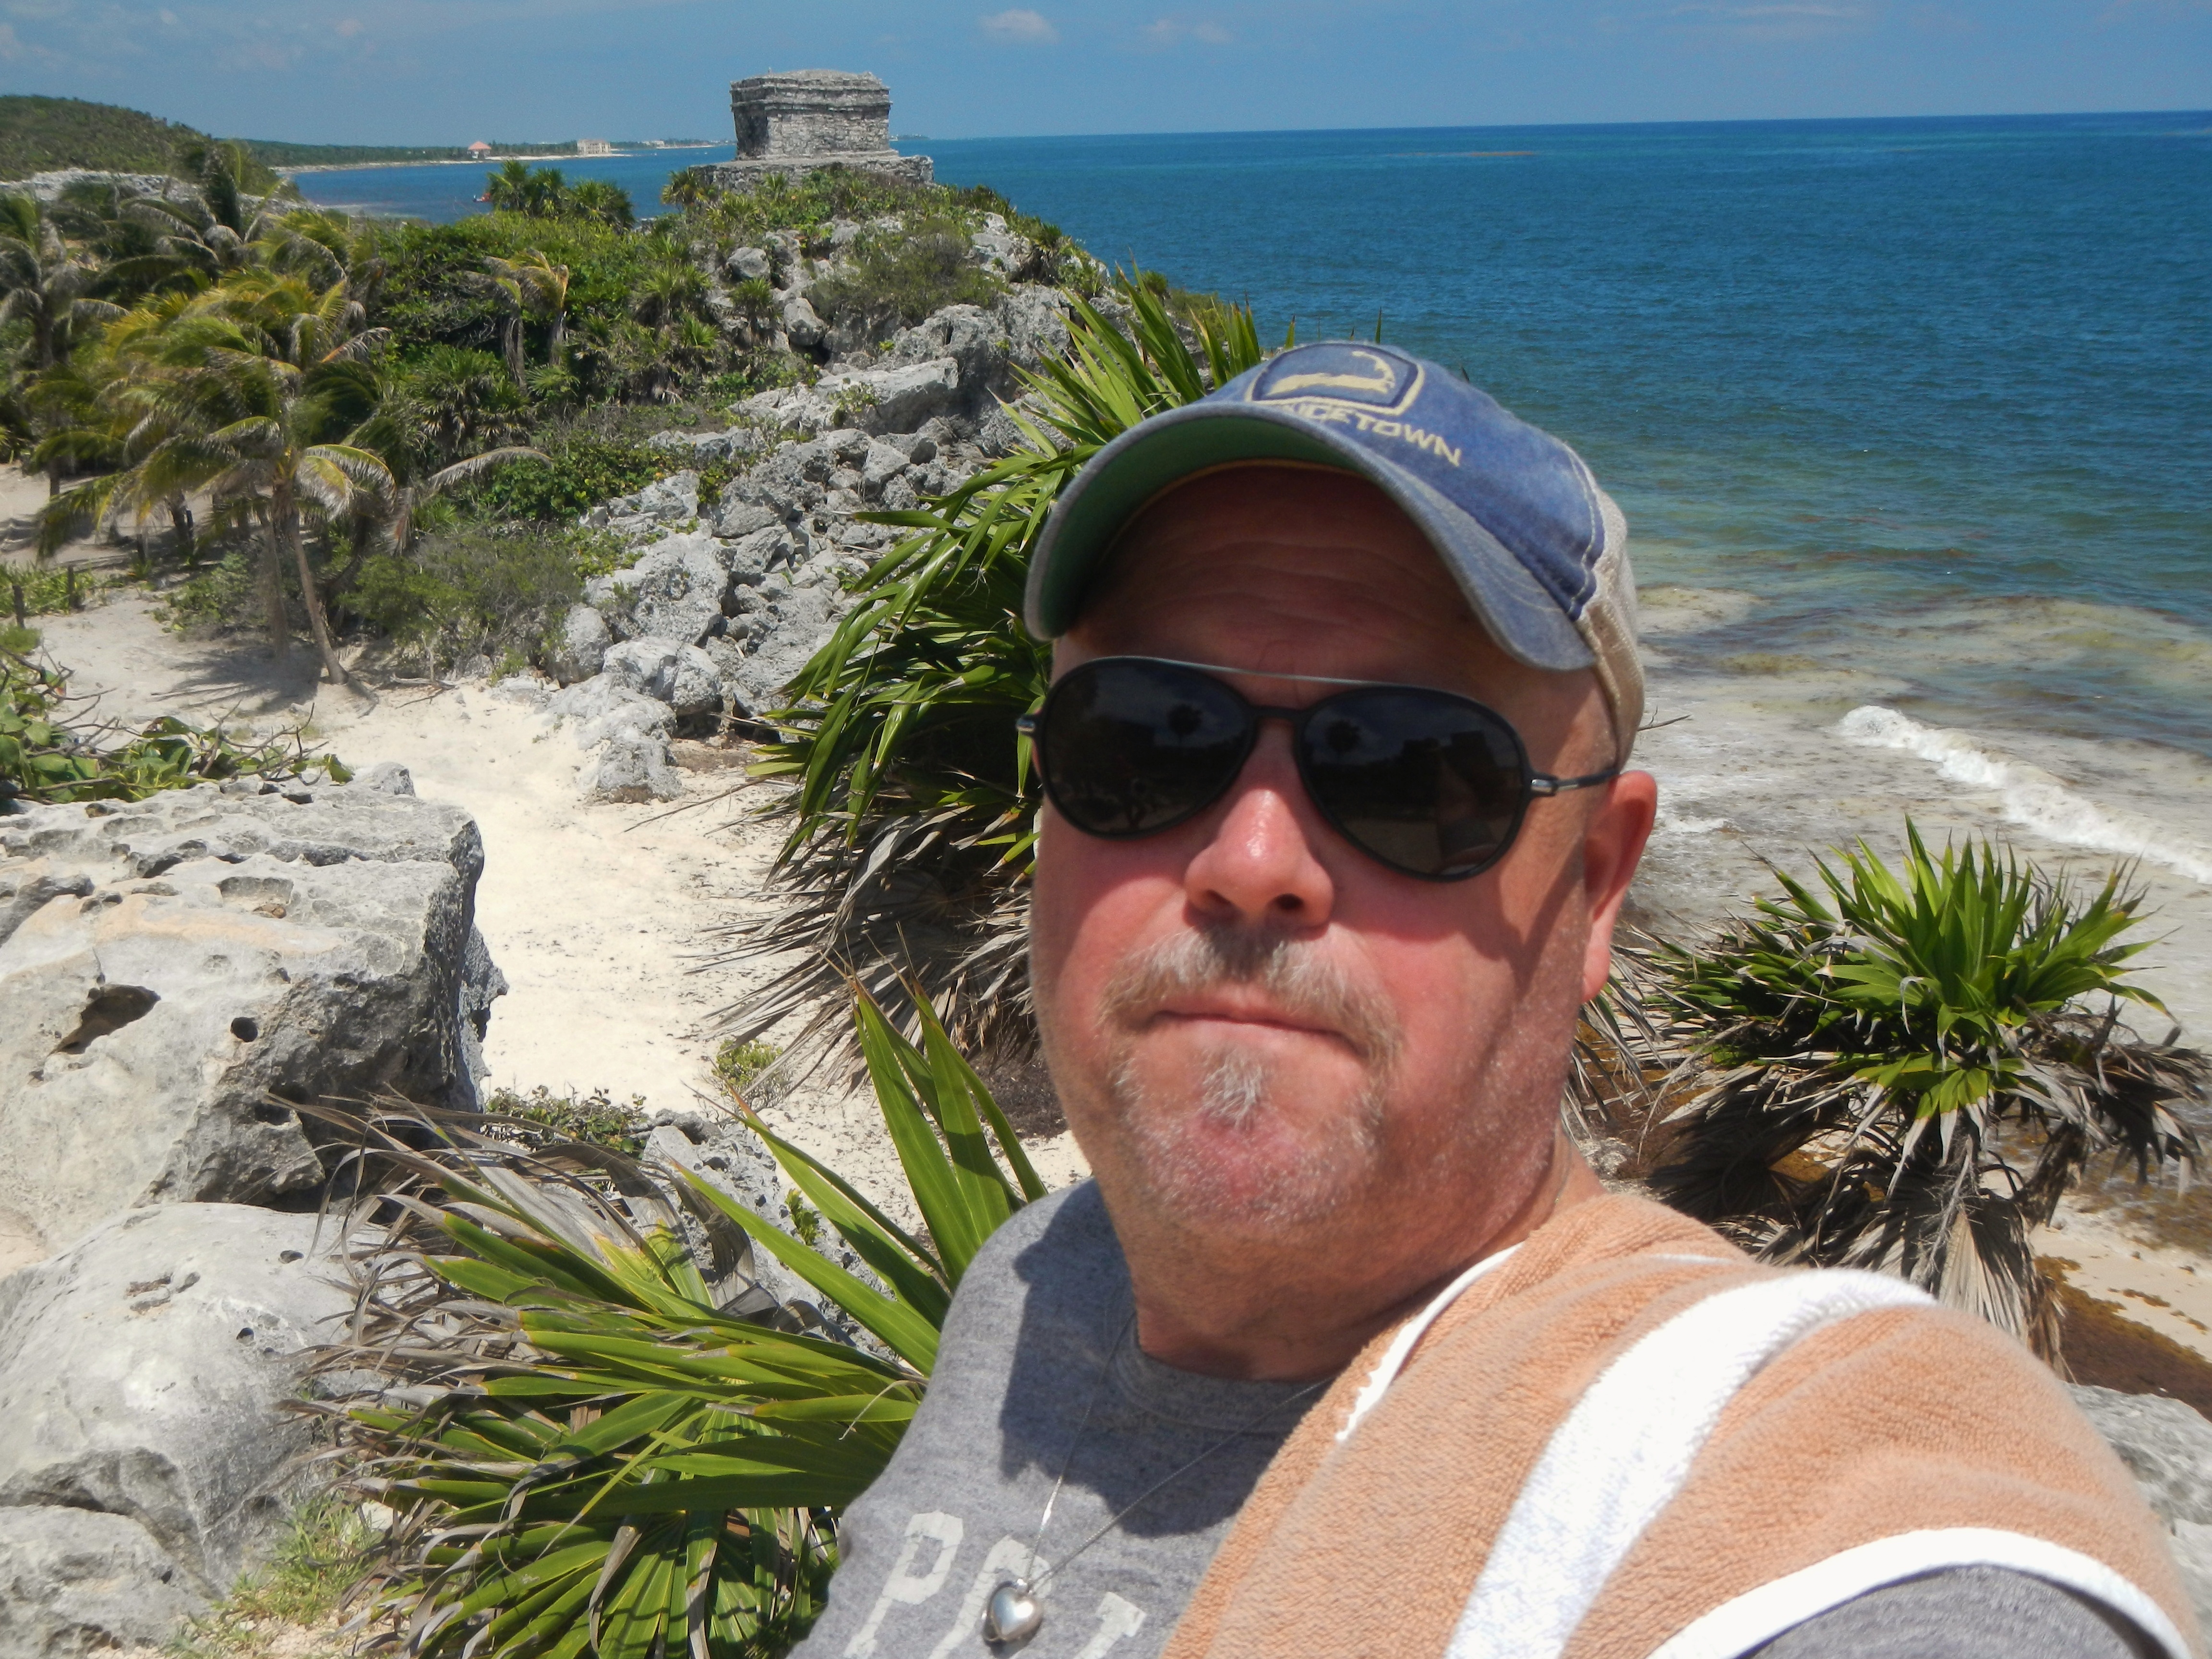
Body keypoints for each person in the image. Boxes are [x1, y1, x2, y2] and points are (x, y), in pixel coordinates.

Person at [790, 343, 2190, 1659]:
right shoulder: (1043, 1279)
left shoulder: (1774, 1467)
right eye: (1147, 738)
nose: (1251, 860)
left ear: (1596, 879)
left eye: (1410, 771)